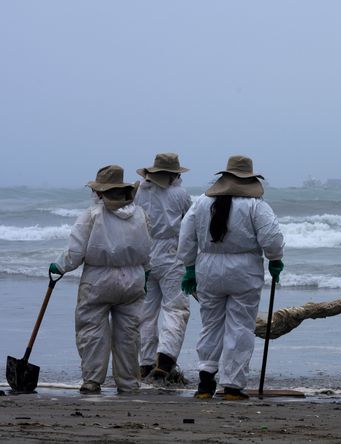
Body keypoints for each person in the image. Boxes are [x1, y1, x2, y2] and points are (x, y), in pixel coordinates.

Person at [177, 155, 285, 400]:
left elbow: (186, 237)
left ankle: (205, 382)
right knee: (240, 326)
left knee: (211, 323)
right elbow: (272, 238)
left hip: (208, 268)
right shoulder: (256, 205)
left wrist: (189, 267)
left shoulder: (202, 202)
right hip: (244, 270)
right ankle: (233, 386)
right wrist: (275, 260)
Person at [49, 165, 152, 394]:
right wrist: (145, 272)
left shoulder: (92, 215)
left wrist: (59, 266)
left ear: (99, 192)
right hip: (133, 278)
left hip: (98, 279)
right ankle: (127, 382)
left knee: (91, 329)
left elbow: (75, 253)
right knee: (128, 334)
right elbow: (147, 249)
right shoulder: (140, 214)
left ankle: (93, 380)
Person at [134, 153, 192, 381]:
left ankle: (145, 363)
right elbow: (189, 225)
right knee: (175, 308)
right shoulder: (180, 194)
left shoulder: (139, 191)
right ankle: (165, 360)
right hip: (171, 253)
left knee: (146, 312)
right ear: (175, 173)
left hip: (145, 252)